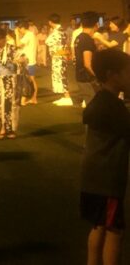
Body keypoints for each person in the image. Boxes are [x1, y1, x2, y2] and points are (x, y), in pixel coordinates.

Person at [80, 49, 130, 265]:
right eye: (128, 72)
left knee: (99, 226)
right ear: (112, 75)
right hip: (107, 181)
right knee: (115, 231)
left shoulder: (100, 100)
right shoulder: (114, 108)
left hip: (92, 178)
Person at [74, 12, 100, 108]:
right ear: (96, 24)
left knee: (92, 103)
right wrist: (98, 76)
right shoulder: (87, 39)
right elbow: (87, 64)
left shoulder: (79, 37)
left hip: (80, 75)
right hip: (87, 78)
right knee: (93, 105)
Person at [47, 13, 73, 106]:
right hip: (60, 56)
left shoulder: (57, 31)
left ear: (50, 22)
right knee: (60, 75)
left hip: (59, 56)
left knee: (61, 76)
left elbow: (48, 41)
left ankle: (67, 97)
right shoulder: (62, 30)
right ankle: (65, 96)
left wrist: (50, 33)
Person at [16, 20, 39, 105]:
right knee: (31, 80)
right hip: (30, 60)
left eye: (19, 29)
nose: (18, 31)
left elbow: (18, 45)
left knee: (30, 80)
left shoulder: (29, 35)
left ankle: (31, 98)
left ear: (22, 28)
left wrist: (17, 34)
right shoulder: (30, 34)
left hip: (29, 61)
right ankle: (33, 98)